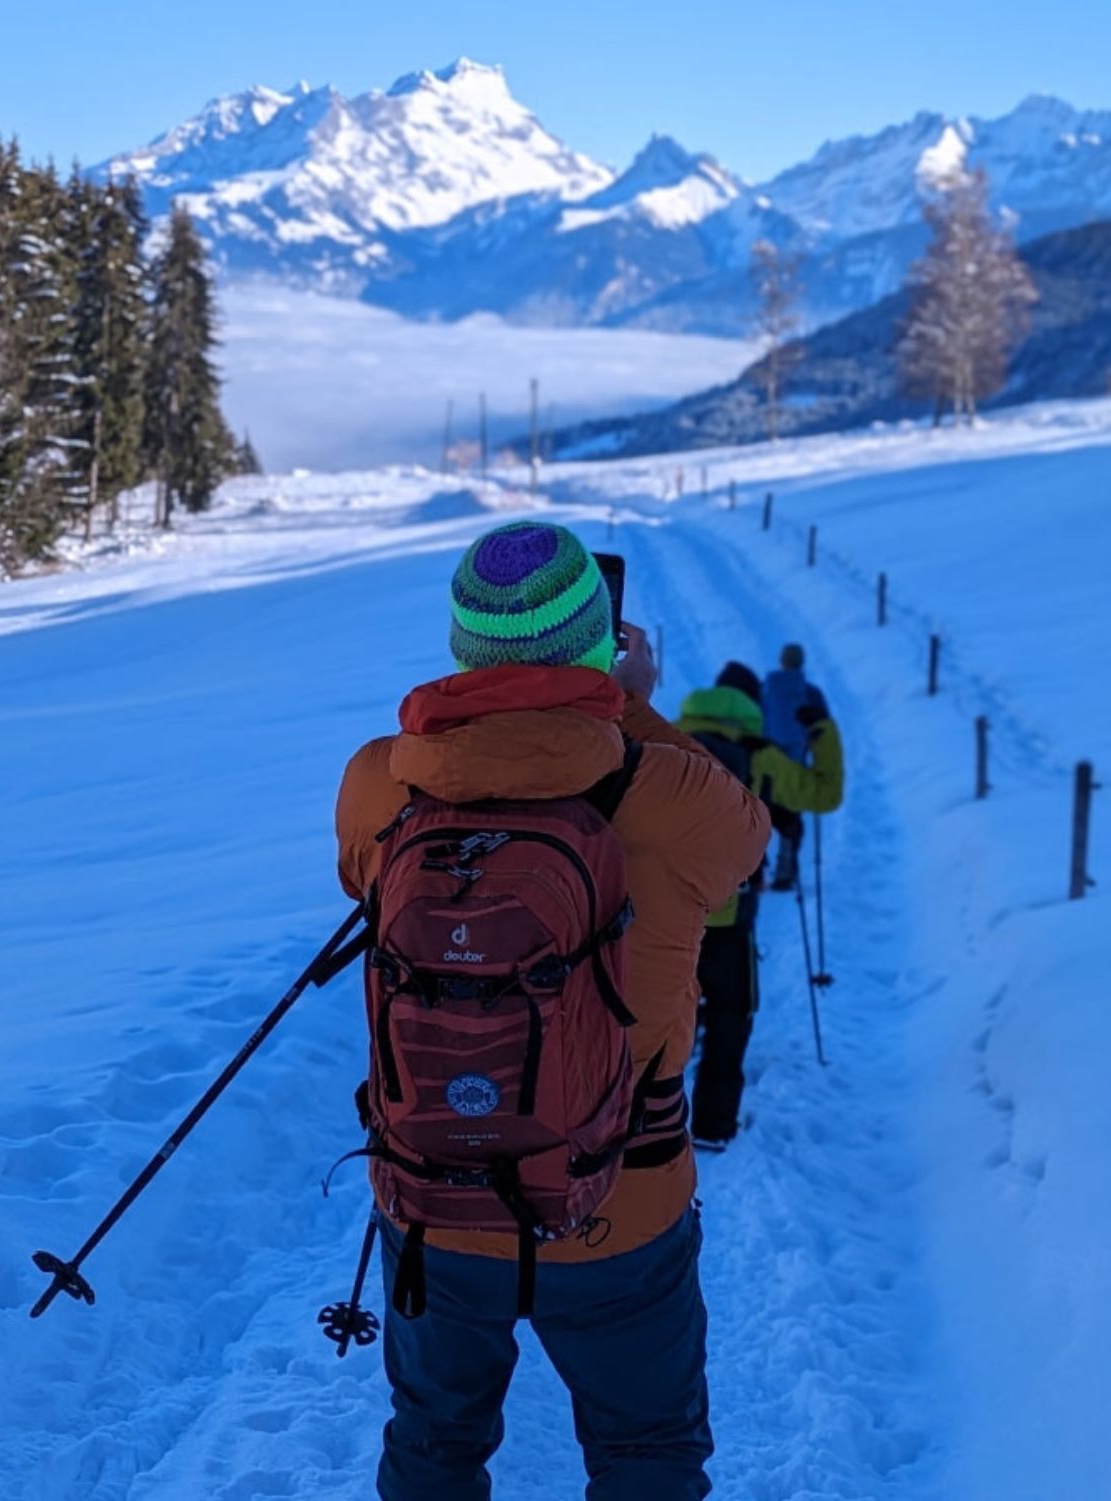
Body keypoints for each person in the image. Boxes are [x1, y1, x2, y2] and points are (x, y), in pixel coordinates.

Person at [335, 520, 768, 1500]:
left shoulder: (377, 782)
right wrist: (627, 711)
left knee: (432, 1442)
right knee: (644, 1453)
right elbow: (746, 844)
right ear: (594, 641)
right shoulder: (675, 791)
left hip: (429, 1197)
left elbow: (359, 878)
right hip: (621, 1201)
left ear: (461, 645)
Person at [676, 660, 845, 1148]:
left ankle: (639, 1129)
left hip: (659, 908)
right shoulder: (762, 755)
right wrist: (822, 734)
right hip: (729, 913)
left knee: (652, 1007)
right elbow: (825, 794)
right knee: (732, 1010)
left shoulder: (664, 741)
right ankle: (712, 1126)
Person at [760, 644, 828, 891]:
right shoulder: (811, 694)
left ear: (782, 661)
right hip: (796, 769)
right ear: (802, 663)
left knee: (760, 818)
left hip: (766, 767)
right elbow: (822, 731)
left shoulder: (765, 689)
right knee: (791, 823)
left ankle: (754, 871)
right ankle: (784, 872)